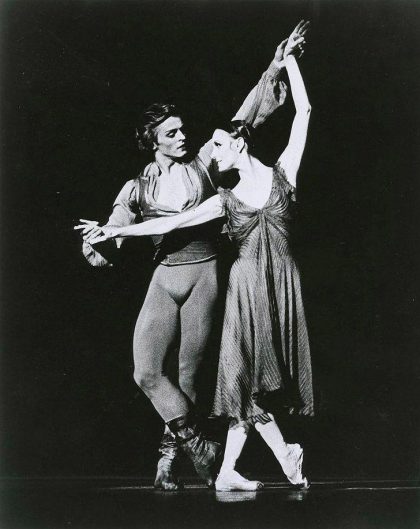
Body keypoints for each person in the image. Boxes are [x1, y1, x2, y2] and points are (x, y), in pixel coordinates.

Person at [75, 22, 310, 490]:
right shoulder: (136, 186)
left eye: (182, 129)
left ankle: (168, 464)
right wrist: (100, 239)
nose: (183, 136)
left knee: (187, 375)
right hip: (165, 276)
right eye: (172, 132)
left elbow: (243, 119)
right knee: (147, 371)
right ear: (153, 141)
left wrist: (275, 66)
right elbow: (119, 223)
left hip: (205, 274)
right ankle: (200, 448)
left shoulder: (204, 163)